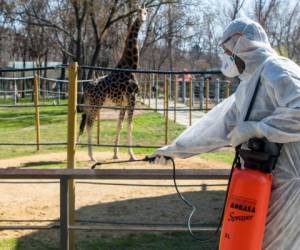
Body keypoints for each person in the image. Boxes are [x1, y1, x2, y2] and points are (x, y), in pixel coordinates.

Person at [150, 18, 300, 250]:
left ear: (242, 44)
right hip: (264, 182)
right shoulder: (248, 85)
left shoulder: (277, 69)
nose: (226, 57)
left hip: (292, 186)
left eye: (227, 51)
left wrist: (258, 128)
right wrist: (174, 150)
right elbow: (217, 126)